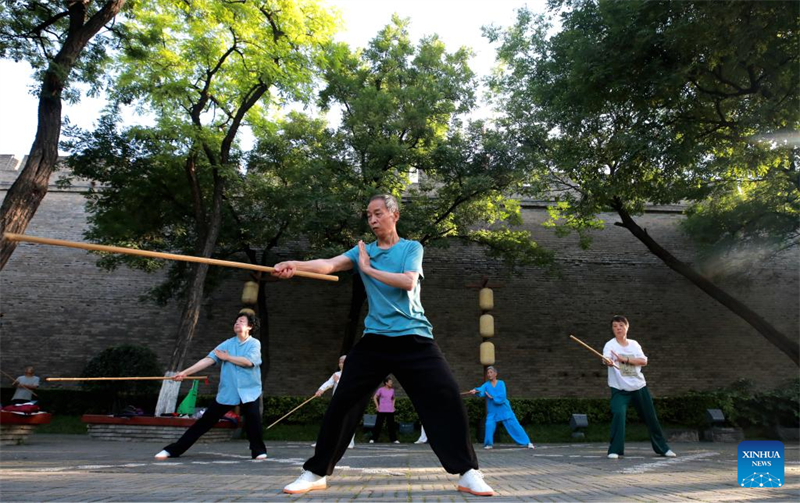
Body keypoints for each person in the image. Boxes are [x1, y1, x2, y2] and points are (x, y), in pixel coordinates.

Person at [274, 194, 494, 497]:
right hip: (375, 339)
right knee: (343, 402)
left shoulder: (410, 248)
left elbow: (407, 282)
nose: (373, 220)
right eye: (369, 215)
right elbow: (328, 264)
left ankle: (468, 472)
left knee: (445, 396)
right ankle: (315, 472)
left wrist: (367, 269)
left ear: (395, 215)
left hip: (415, 337)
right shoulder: (362, 250)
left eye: (378, 214)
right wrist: (294, 265)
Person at [154, 312, 267, 460]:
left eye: (241, 321)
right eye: (236, 321)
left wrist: (227, 358)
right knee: (205, 422)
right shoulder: (227, 344)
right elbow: (207, 360)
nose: (237, 323)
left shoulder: (254, 344)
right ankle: (173, 450)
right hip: (228, 392)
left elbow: (248, 362)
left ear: (250, 327)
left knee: (254, 421)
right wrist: (185, 373)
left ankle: (258, 451)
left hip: (249, 391)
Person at [602, 315, 676, 459]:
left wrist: (625, 359)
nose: (618, 328)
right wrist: (608, 361)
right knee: (618, 414)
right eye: (615, 326)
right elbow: (606, 359)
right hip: (619, 389)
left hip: (639, 387)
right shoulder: (610, 345)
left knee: (651, 417)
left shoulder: (634, 344)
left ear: (627, 327)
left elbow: (643, 361)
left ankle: (663, 448)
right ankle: (615, 450)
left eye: (621, 325)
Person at [470, 366, 534, 450]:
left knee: (514, 425)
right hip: (492, 410)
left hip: (504, 409)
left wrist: (492, 397)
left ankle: (527, 442)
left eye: (491, 372)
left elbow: (502, 396)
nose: (489, 374)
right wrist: (475, 391)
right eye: (488, 373)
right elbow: (481, 390)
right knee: (489, 425)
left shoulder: (501, 383)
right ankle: (488, 444)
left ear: (495, 374)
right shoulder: (486, 385)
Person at [313, 355, 355, 449]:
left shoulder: (352, 374)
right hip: (336, 402)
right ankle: (323, 442)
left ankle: (349, 443)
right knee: (329, 422)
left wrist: (338, 381)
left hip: (347, 402)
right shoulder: (336, 374)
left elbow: (348, 387)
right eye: (340, 362)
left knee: (347, 422)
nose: (341, 364)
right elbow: (328, 383)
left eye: (343, 362)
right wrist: (320, 390)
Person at [369, 377, 399, 444]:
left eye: (391, 382)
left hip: (390, 410)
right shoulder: (381, 390)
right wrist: (377, 406)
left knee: (391, 425)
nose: (391, 383)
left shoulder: (392, 390)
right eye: (390, 382)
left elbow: (393, 398)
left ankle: (394, 439)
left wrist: (393, 406)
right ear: (386, 383)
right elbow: (374, 397)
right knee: (378, 425)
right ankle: (373, 439)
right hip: (381, 410)